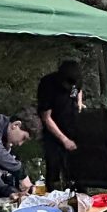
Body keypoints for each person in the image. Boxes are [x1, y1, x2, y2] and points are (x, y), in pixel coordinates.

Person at [36, 60, 84, 188]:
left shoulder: (76, 79)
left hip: (73, 126)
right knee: (54, 167)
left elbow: (79, 90)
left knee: (76, 166)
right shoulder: (48, 85)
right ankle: (53, 197)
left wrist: (79, 102)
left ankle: (79, 195)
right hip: (53, 130)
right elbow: (46, 117)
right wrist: (64, 140)